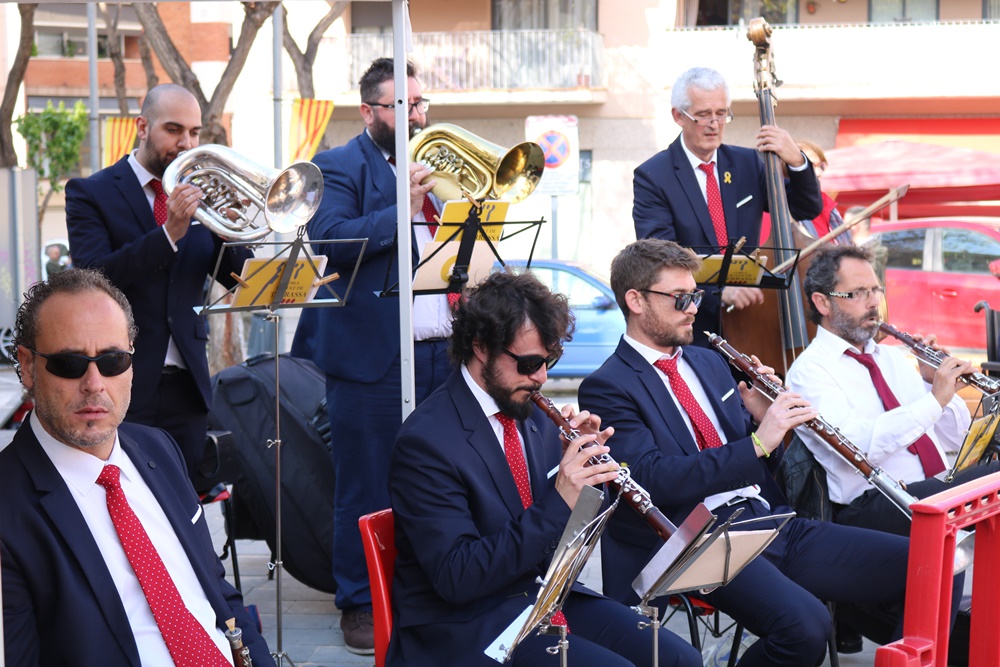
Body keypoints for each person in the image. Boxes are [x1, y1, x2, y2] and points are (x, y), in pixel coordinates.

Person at [578, 239, 920, 667]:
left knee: (926, 565)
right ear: (636, 300)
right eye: (681, 298)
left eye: (696, 296)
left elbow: (754, 459)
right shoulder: (607, 385)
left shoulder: (708, 361)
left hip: (767, 519)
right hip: (695, 539)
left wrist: (760, 419)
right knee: (806, 626)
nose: (693, 308)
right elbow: (652, 478)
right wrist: (759, 441)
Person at [387, 270, 702, 667]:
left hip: (540, 595)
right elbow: (458, 577)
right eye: (530, 362)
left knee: (679, 658)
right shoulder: (427, 442)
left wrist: (585, 476)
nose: (541, 377)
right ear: (481, 347)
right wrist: (561, 496)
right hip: (467, 623)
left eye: (548, 361)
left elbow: (561, 541)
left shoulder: (529, 415)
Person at [1, 268, 274, 667]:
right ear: (27, 365)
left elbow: (217, 592)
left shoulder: (158, 448)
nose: (94, 383)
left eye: (112, 360)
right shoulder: (8, 508)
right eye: (69, 363)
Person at [288, 57, 453, 654]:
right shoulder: (339, 165)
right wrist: (402, 207)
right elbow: (330, 239)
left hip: (442, 351)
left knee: (440, 479)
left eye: (420, 103)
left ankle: (430, 587)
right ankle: (359, 601)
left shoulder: (436, 165)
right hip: (372, 357)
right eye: (402, 105)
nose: (416, 114)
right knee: (366, 487)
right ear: (369, 112)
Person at [65, 83, 252, 486]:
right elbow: (93, 278)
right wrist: (170, 232)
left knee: (184, 503)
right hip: (120, 379)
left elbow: (236, 277)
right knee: (121, 500)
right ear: (142, 126)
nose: (186, 143)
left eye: (195, 132)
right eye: (174, 130)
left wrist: (234, 228)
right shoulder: (91, 192)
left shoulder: (203, 196)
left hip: (188, 383)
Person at [786, 243, 999, 536]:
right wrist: (934, 400)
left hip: (930, 488)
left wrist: (932, 385)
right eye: (858, 293)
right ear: (823, 303)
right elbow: (858, 447)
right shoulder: (809, 372)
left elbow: (954, 437)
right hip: (871, 505)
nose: (873, 302)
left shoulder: (892, 357)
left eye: (876, 290)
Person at [632, 67, 823, 347]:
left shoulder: (748, 163)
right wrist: (718, 293)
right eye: (703, 114)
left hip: (756, 320)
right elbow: (660, 260)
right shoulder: (652, 176)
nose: (714, 124)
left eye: (722, 113)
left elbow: (805, 208)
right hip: (694, 327)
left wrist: (796, 160)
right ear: (678, 116)